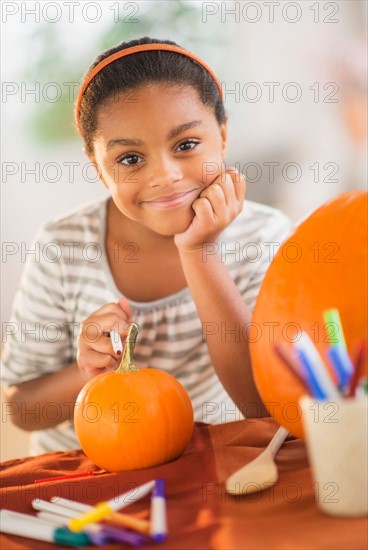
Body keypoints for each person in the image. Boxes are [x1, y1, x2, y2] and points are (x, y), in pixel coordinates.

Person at [2, 37, 291, 454]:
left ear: (223, 136)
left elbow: (262, 405)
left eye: (186, 145)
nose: (166, 175)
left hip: (209, 459)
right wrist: (89, 369)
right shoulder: (62, 246)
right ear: (99, 169)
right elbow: (22, 410)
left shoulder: (264, 236)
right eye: (130, 159)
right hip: (88, 470)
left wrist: (199, 251)